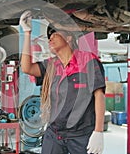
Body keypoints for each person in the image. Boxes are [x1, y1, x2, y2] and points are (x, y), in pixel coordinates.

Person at [19, 11, 106, 154]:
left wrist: (98, 131)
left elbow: (99, 95)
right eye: (49, 38)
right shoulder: (52, 65)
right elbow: (26, 68)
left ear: (69, 38)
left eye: (54, 35)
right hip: (55, 133)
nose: (50, 39)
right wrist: (27, 33)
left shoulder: (87, 60)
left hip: (81, 135)